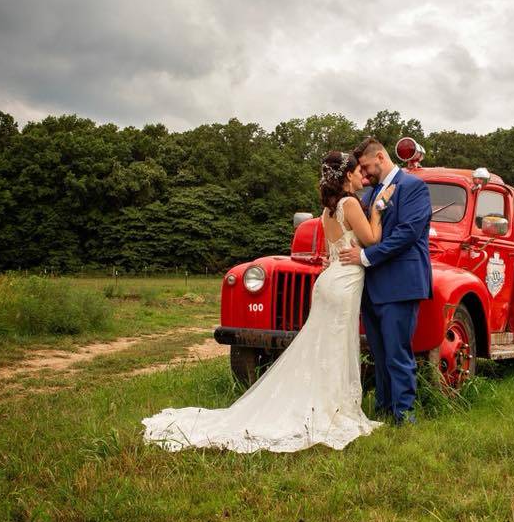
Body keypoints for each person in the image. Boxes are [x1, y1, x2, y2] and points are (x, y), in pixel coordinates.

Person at [142, 151, 396, 453]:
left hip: (330, 282)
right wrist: (378, 210)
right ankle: (331, 409)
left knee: (325, 346)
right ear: (346, 176)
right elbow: (373, 240)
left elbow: (334, 251)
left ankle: (326, 405)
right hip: (343, 284)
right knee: (336, 345)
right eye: (357, 173)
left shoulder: (328, 211)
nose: (362, 177)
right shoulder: (350, 203)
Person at [339, 137, 432, 425]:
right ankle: (382, 411)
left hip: (401, 284)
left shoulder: (413, 187)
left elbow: (407, 233)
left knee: (397, 353)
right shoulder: (368, 196)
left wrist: (365, 257)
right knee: (379, 355)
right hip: (372, 287)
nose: (364, 174)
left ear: (380, 157)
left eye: (366, 167)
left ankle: (404, 416)